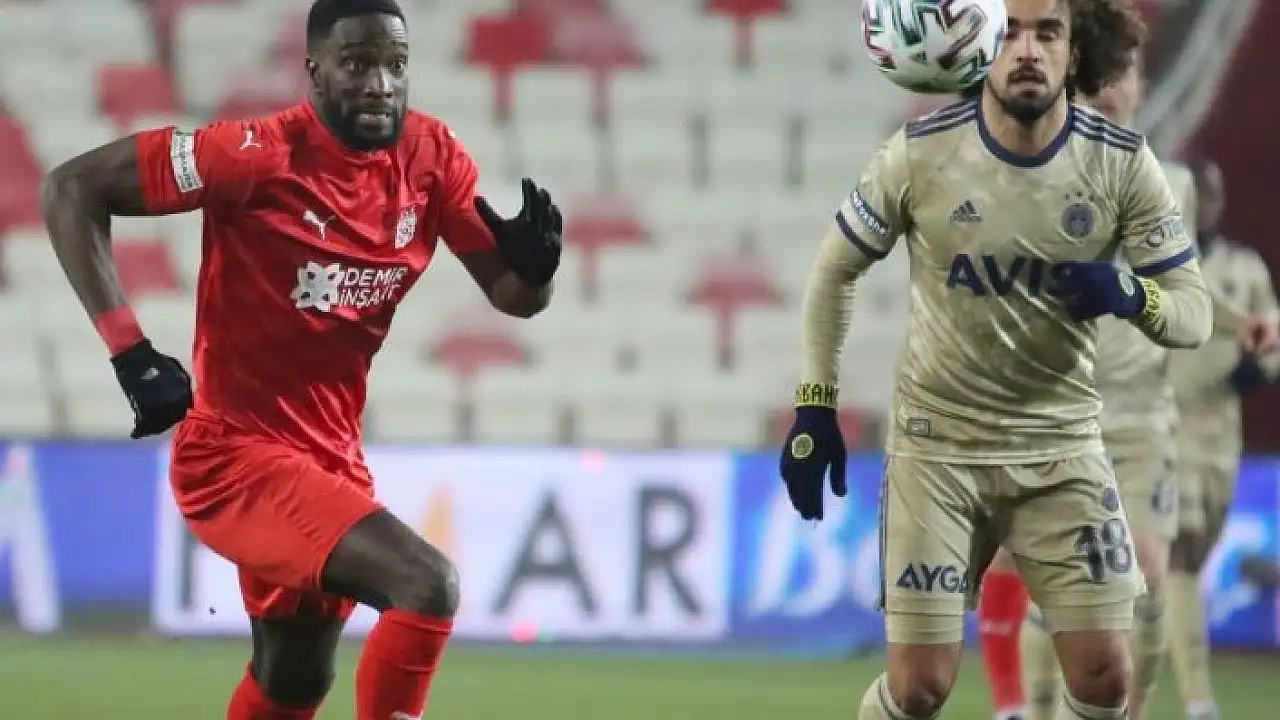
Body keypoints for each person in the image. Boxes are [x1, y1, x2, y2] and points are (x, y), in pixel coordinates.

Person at [40, 1, 563, 719]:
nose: (380, 83)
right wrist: (131, 353)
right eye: (357, 64)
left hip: (330, 458)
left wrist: (536, 272)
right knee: (426, 585)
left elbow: (512, 296)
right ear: (314, 72)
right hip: (234, 455)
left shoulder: (432, 159)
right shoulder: (252, 155)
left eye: (396, 65)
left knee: (294, 677)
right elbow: (71, 188)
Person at [777, 1, 1213, 718]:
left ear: (1075, 51)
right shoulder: (920, 153)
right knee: (920, 687)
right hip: (938, 451)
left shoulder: (1121, 163)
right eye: (1009, 32)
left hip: (1061, 447)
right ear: (978, 45)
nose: (1028, 51)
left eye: (1048, 32)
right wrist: (816, 407)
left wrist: (1133, 295)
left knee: (1107, 676)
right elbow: (833, 271)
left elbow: (1193, 312)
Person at [973, 50, 1199, 720]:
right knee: (1057, 588)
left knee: (1149, 574)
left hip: (1140, 415)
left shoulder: (1175, 186)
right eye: (1094, 75)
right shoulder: (1032, 179)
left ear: (1141, 88)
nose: (1107, 88)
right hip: (1057, 411)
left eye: (1121, 74)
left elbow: (1187, 291)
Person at [1163, 157, 1280, 720]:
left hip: (1220, 440)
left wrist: (1256, 367)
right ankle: (1198, 700)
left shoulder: (1245, 267)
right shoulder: (1159, 263)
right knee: (1182, 554)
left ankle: (1140, 655)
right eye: (1198, 194)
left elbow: (1271, 336)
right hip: (1165, 432)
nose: (1206, 204)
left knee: (1191, 558)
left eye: (1213, 194)